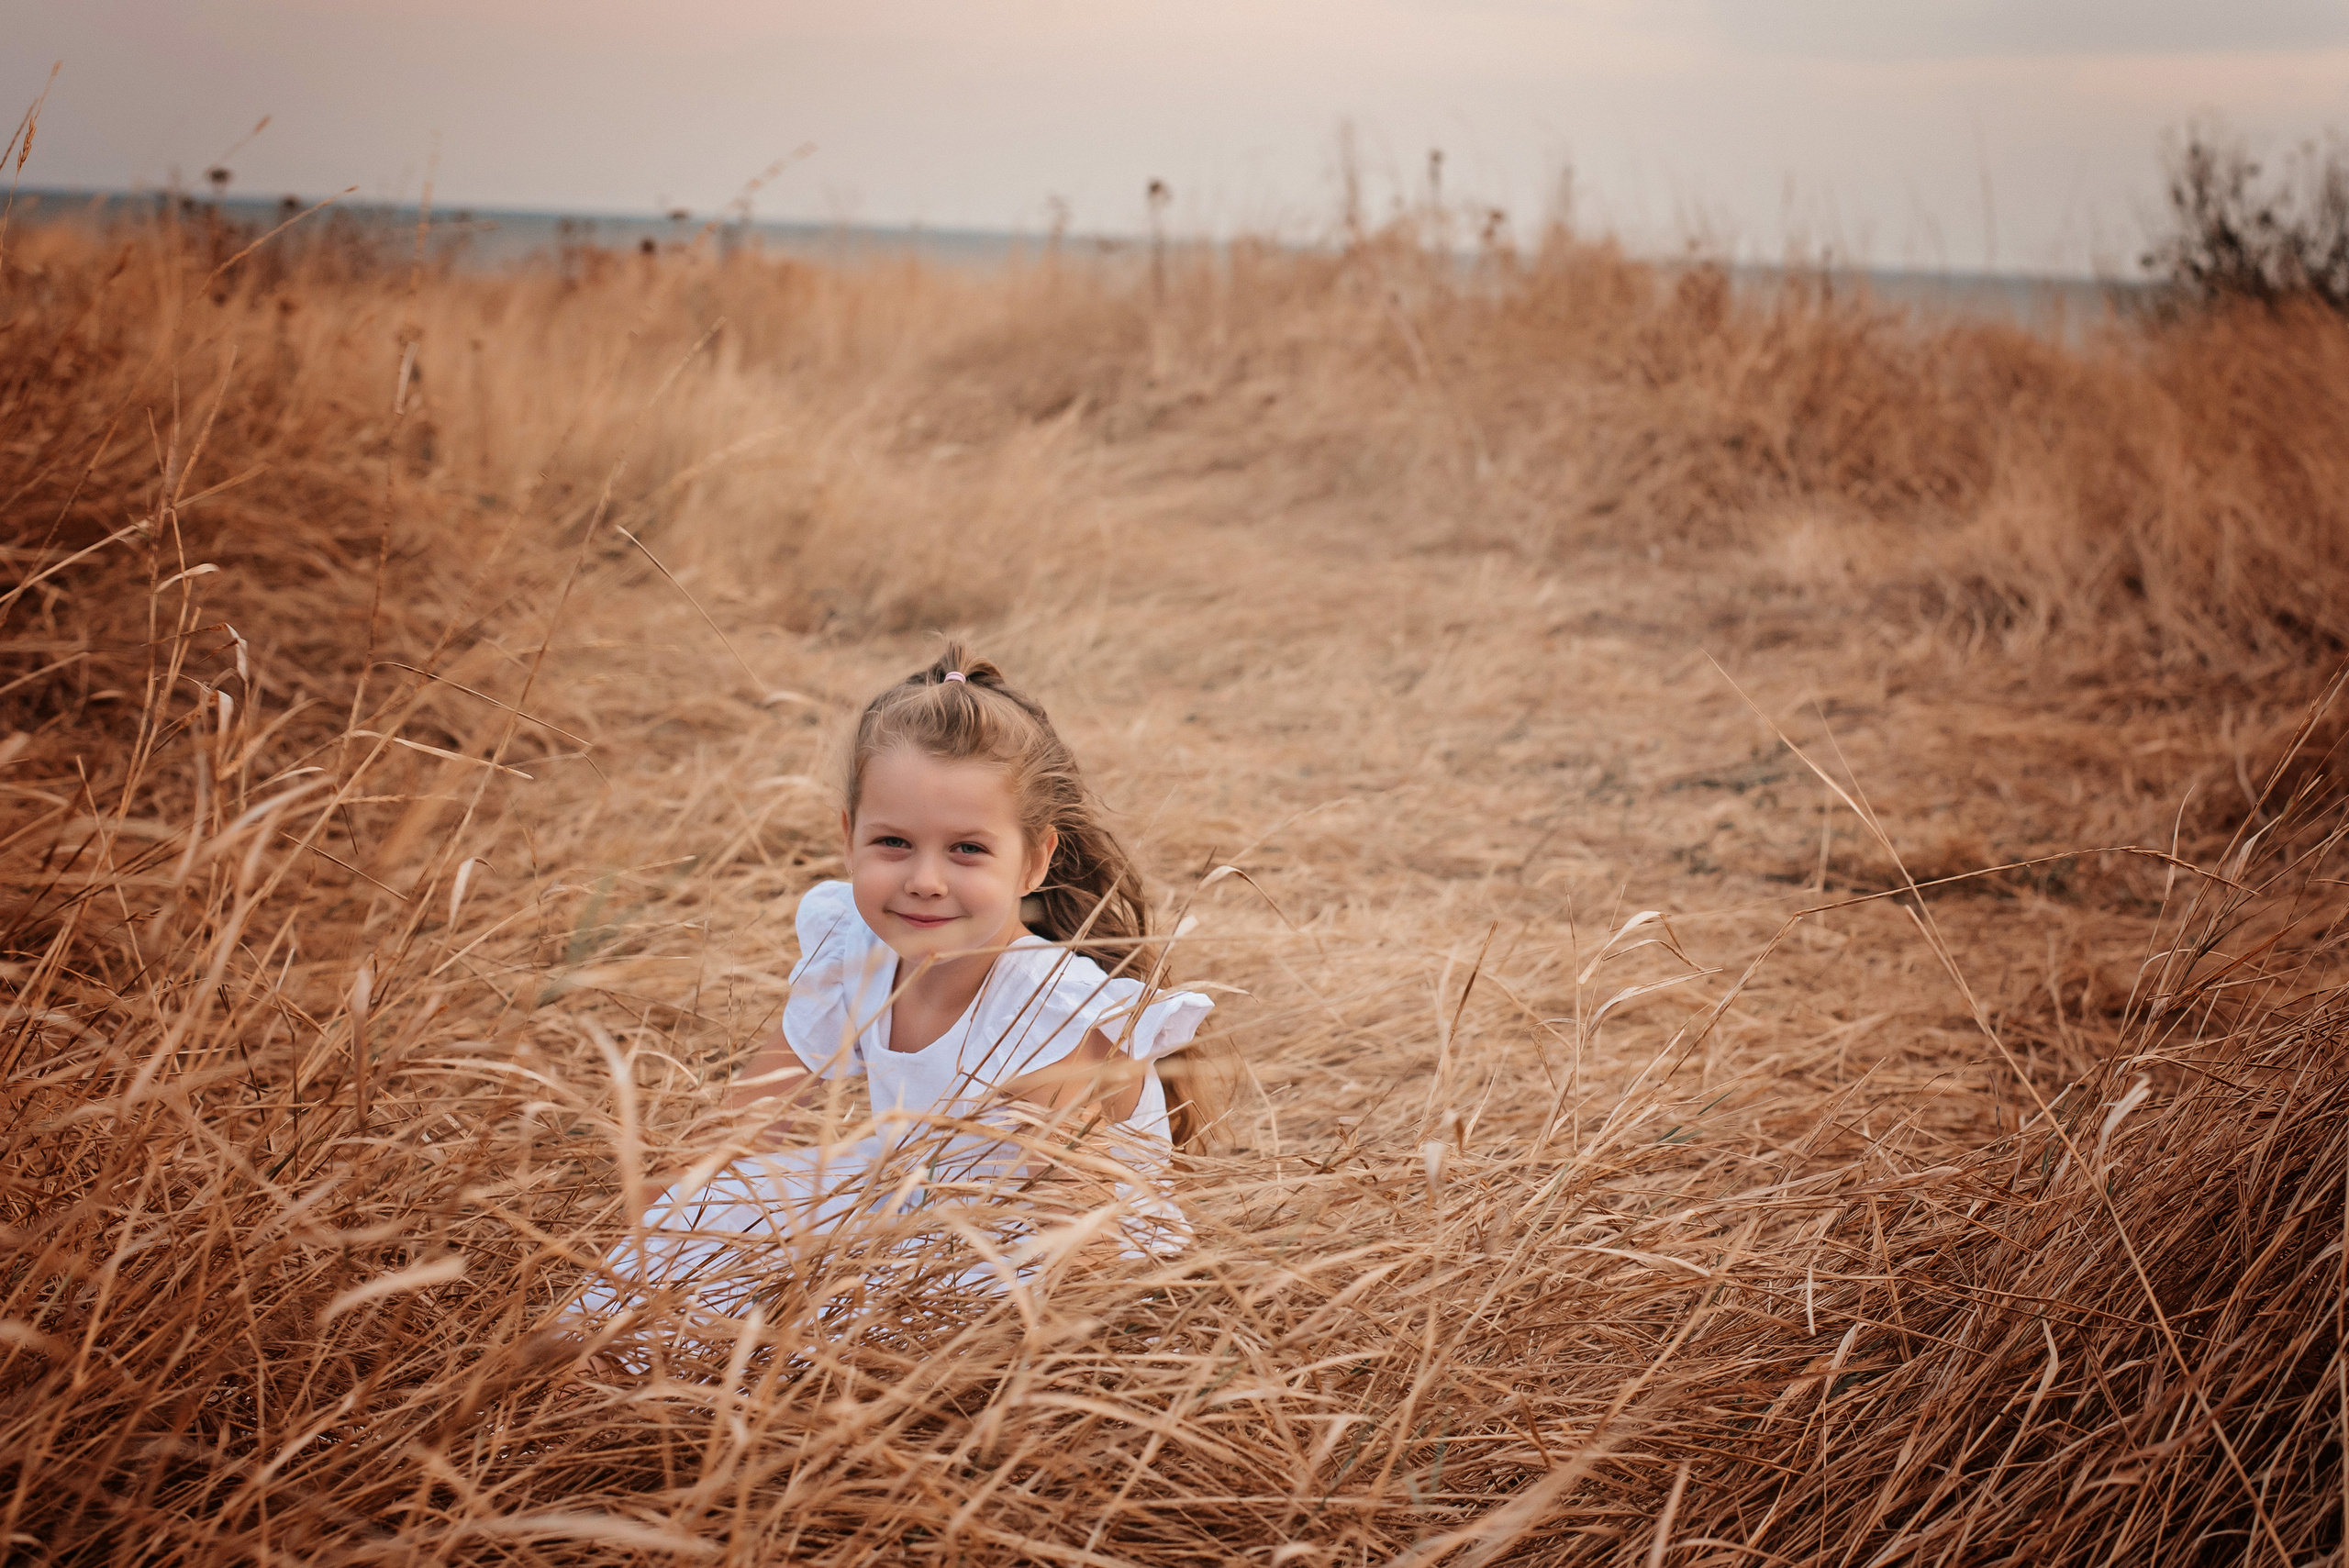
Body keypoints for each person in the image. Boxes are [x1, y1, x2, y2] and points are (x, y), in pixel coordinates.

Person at [572, 647, 1223, 1330]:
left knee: (832, 1320)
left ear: (1033, 860)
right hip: (919, 1194)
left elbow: (1080, 1250)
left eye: (967, 849)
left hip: (1039, 1241)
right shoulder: (855, 947)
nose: (925, 879)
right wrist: (665, 1209)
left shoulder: (1047, 1015)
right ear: (849, 838)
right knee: (696, 1220)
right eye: (893, 843)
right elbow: (753, 1116)